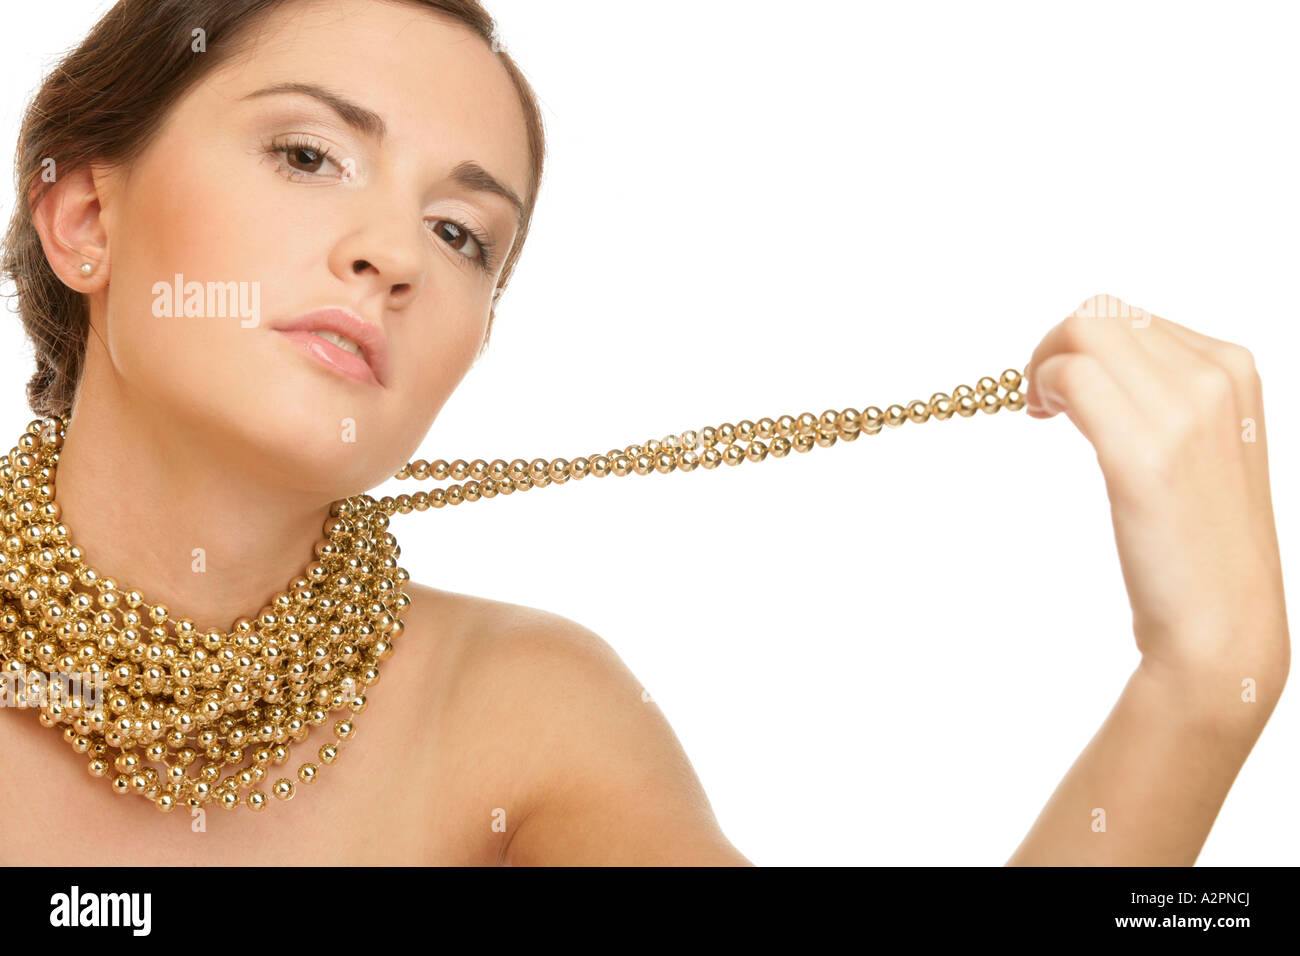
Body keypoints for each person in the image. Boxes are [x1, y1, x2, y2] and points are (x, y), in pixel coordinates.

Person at [0, 0, 1288, 866]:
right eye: (307, 154)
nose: (390, 252)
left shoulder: (523, 712)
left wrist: (1199, 691)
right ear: (86, 220)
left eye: (463, 236)